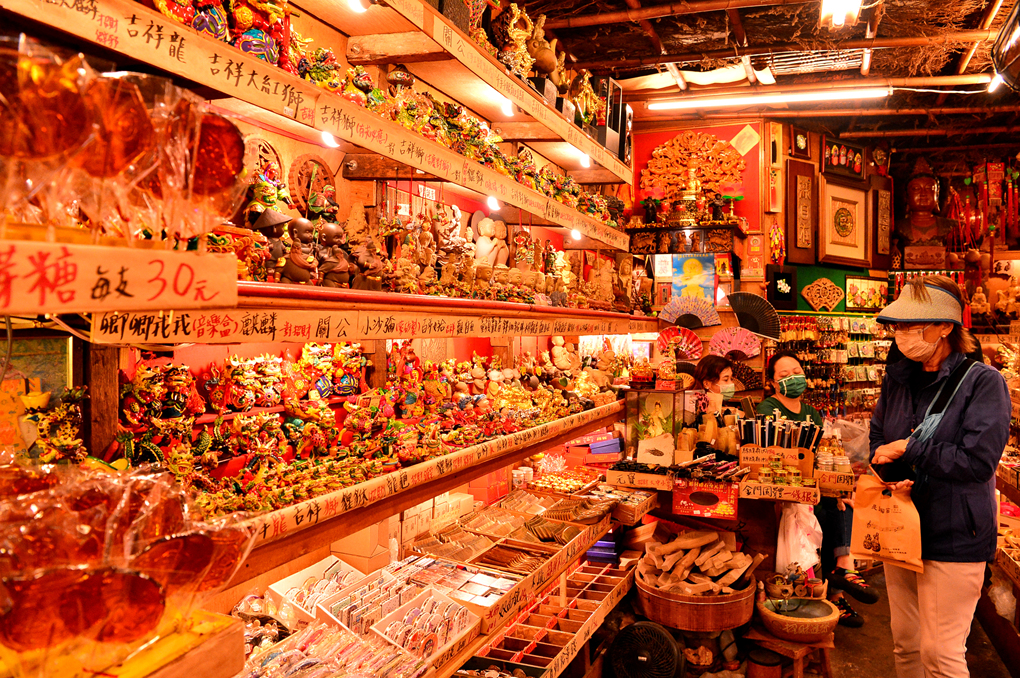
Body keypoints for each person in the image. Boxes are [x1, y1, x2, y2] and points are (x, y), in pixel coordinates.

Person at [871, 275, 1009, 678]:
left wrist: (909, 449)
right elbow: (879, 437)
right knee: (906, 642)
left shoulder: (983, 382)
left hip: (954, 534)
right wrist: (892, 473)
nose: (901, 334)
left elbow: (978, 463)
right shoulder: (898, 378)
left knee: (941, 654)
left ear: (946, 326)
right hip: (901, 525)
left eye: (912, 325)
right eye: (897, 325)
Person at [759, 351, 878, 628]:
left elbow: (818, 455)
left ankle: (841, 576)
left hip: (813, 484)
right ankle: (837, 588)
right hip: (785, 486)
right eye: (784, 375)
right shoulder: (768, 409)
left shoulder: (812, 413)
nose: (793, 378)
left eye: (796, 372)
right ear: (773, 382)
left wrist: (837, 486)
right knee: (823, 512)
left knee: (841, 504)